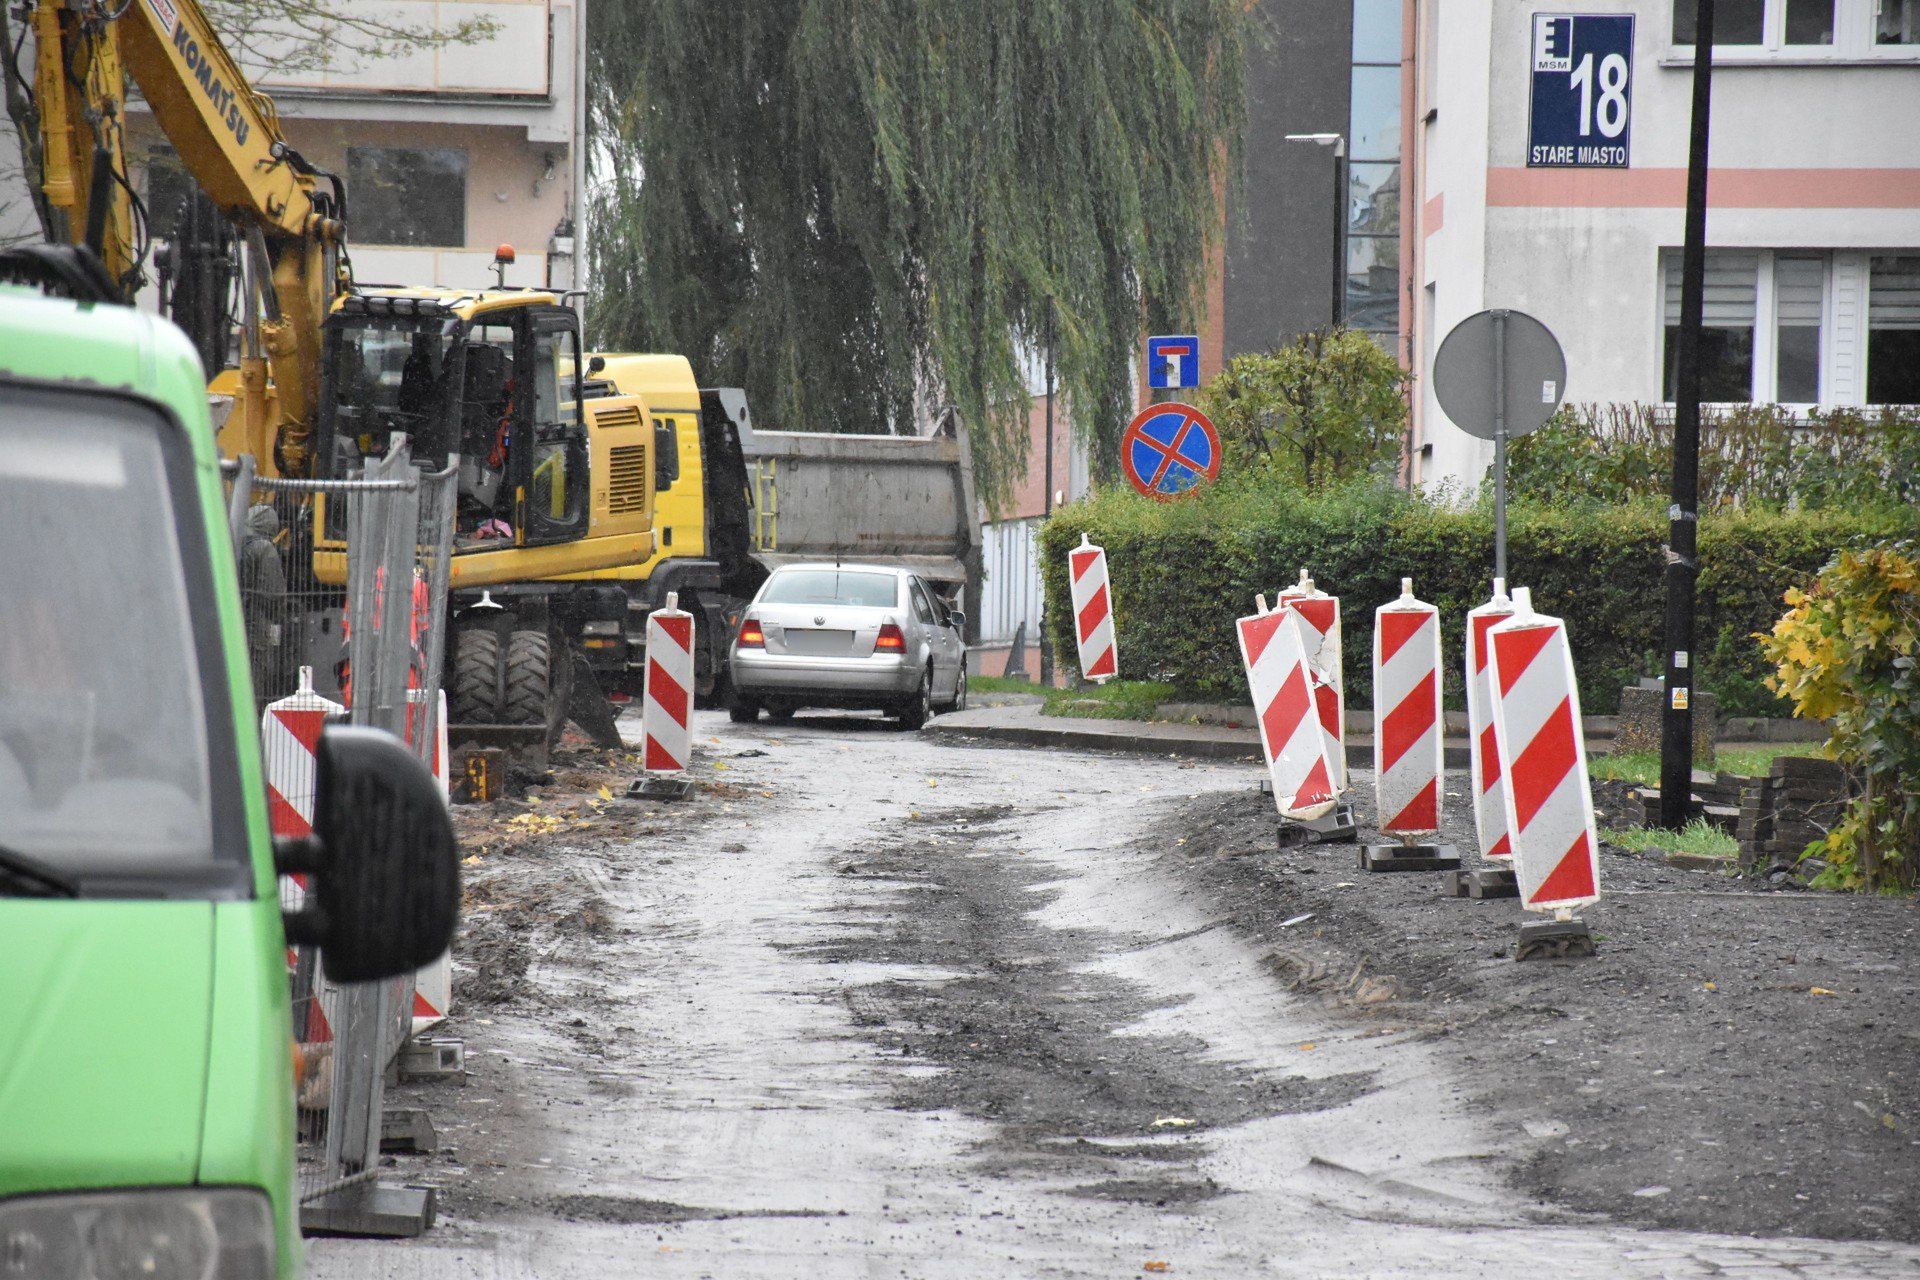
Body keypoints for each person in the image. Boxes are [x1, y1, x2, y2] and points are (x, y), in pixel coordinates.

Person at [240, 503, 291, 697]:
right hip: (255, 630)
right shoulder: (264, 548)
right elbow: (274, 593)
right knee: (253, 688)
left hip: (233, 625)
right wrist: (278, 616)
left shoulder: (234, 541)